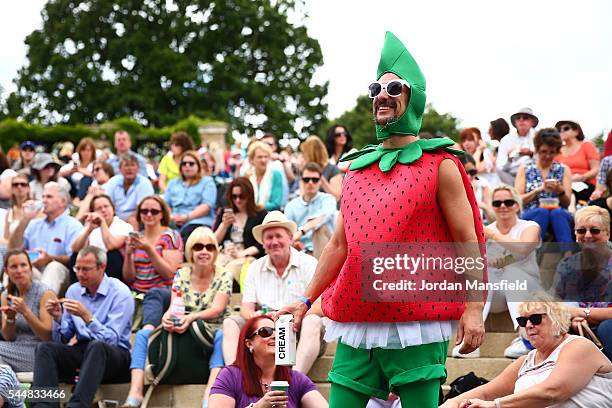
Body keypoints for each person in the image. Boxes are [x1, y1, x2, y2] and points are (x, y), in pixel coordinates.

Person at [276, 32, 486, 408]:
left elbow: (466, 240)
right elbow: (340, 245)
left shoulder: (442, 165)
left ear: (413, 97)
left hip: (417, 317)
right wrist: (306, 301)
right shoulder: (355, 170)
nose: (381, 95)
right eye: (376, 87)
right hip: (358, 315)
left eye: (394, 87)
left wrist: (472, 307)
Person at [121, 227, 232, 408]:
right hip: (185, 326)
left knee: (222, 337)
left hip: (213, 328)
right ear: (190, 251)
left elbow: (217, 309)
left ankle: (210, 394)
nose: (204, 251)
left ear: (215, 251)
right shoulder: (182, 273)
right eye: (198, 247)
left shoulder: (224, 274)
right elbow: (175, 304)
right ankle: (135, 394)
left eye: (209, 247)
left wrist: (191, 318)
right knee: (141, 335)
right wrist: (167, 317)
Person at [440, 294, 612, 408]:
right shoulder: (525, 361)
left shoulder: (578, 346)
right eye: (523, 321)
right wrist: (453, 403)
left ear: (556, 319)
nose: (529, 325)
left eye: (536, 319)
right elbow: (486, 391)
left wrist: (496, 405)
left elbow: (552, 392)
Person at [221, 211, 324, 375]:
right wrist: (258, 318)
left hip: (299, 328)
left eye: (279, 236)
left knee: (313, 321)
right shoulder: (255, 267)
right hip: (266, 329)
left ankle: (295, 380)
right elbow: (245, 309)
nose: (274, 241)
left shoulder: (309, 263)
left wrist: (292, 316)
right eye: (269, 237)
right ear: (263, 243)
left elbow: (321, 306)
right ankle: (235, 377)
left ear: (290, 238)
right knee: (230, 323)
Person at [32, 246, 133, 408]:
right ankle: (43, 405)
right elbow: (64, 338)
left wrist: (87, 317)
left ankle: (76, 406)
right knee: (45, 348)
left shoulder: (120, 292)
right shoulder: (74, 290)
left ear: (102, 268)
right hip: (84, 351)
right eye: (77, 268)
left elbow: (112, 340)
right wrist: (58, 318)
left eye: (86, 269)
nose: (80, 273)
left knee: (97, 346)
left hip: (115, 356)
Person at [452, 185, 541, 359]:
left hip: (529, 289)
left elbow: (523, 250)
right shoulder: (486, 230)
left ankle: (525, 337)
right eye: (497, 203)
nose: (503, 206)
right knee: (485, 276)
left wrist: (492, 235)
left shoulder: (530, 226)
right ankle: (471, 339)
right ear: (492, 206)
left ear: (517, 204)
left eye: (508, 202)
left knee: (512, 274)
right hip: (496, 294)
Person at [210, 315, 328, 408]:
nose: (275, 335)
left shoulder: (296, 379)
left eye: (279, 331)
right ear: (249, 343)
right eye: (266, 332)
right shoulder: (230, 376)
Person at [553, 206, 612, 360]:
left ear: (608, 233)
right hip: (576, 327)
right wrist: (571, 319)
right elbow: (554, 302)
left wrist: (582, 313)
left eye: (594, 230)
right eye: (581, 231)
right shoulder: (567, 264)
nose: (587, 236)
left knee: (607, 328)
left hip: (607, 330)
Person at [9, 182, 82, 295]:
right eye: (43, 196)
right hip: (35, 271)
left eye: (49, 197)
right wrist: (25, 219)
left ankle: (42, 306)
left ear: (63, 202)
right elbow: (12, 249)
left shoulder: (73, 225)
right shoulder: (34, 224)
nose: (44, 200)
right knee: (17, 267)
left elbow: (74, 259)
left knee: (54, 267)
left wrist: (49, 258)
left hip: (62, 276)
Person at [515, 128, 573, 250]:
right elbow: (518, 200)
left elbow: (567, 203)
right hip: (532, 212)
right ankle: (530, 253)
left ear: (557, 152)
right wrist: (538, 190)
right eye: (543, 151)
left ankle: (568, 256)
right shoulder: (525, 169)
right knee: (542, 212)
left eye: (552, 152)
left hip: (558, 212)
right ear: (537, 150)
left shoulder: (563, 169)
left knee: (557, 213)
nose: (547, 156)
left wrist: (559, 191)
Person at [0, 249, 56, 372]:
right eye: (14, 267)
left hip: (38, 352)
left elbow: (47, 336)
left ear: (30, 268)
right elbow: (8, 337)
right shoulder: (6, 295)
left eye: (23, 265)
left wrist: (25, 311)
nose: (19, 270)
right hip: (14, 349)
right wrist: (10, 318)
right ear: (6, 271)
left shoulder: (45, 293)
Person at [214, 177, 267, 285]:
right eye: (234, 196)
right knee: (212, 268)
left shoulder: (260, 215)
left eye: (241, 196)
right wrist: (224, 225)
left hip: (247, 256)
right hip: (225, 254)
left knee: (228, 271)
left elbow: (262, 243)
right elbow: (213, 241)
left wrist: (241, 253)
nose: (237, 200)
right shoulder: (225, 213)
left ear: (249, 196)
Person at [71, 194, 133, 281]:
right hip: (92, 265)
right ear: (93, 212)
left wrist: (102, 223)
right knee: (76, 256)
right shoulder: (91, 226)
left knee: (112, 254)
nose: (103, 210)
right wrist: (89, 230)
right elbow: (75, 249)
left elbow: (111, 245)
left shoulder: (124, 226)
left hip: (113, 266)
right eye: (99, 208)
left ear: (113, 208)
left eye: (106, 206)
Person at [284, 162, 337, 258]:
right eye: (306, 179)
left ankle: (320, 270)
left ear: (320, 181)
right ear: (301, 181)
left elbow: (323, 217)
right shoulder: (291, 206)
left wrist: (302, 231)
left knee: (319, 228)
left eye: (315, 180)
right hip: (301, 251)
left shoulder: (328, 199)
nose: (310, 183)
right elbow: (288, 234)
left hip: (326, 250)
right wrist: (294, 243)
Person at [164, 150, 217, 245]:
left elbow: (207, 206)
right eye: (184, 164)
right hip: (173, 220)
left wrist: (186, 217)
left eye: (191, 163)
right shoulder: (173, 183)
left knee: (187, 238)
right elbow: (165, 204)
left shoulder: (207, 182)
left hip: (197, 221)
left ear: (198, 166)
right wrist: (171, 217)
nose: (187, 166)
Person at [553, 120, 599, 203]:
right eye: (559, 130)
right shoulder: (557, 150)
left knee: (568, 192)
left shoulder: (587, 146)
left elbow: (595, 169)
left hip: (585, 184)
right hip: (563, 184)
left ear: (576, 131)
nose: (562, 131)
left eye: (566, 128)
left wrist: (583, 177)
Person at [104, 153, 154, 227]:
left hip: (137, 219)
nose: (129, 168)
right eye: (126, 165)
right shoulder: (113, 181)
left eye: (132, 165)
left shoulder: (144, 182)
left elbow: (142, 208)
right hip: (114, 218)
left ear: (138, 169)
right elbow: (107, 202)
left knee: (133, 220)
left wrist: (124, 223)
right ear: (120, 169)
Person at [496, 107, 538, 185]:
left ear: (532, 122)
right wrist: (509, 159)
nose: (521, 120)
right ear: (515, 122)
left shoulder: (539, 136)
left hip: (534, 172)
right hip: (512, 175)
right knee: (497, 171)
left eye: (525, 118)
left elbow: (546, 158)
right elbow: (500, 167)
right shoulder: (506, 140)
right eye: (518, 118)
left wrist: (531, 154)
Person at [300, 136, 343, 202]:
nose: (303, 156)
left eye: (305, 153)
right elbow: (303, 197)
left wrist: (319, 177)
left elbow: (337, 197)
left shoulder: (333, 169)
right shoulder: (305, 170)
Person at [247, 141, 284, 211]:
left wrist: (260, 207)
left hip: (269, 216)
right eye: (259, 157)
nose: (263, 160)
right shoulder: (247, 175)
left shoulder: (276, 175)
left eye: (266, 157)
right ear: (252, 159)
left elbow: (276, 202)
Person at [459, 154, 494, 224]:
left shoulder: (482, 184)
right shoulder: (453, 186)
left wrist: (484, 207)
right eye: (464, 172)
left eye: (472, 172)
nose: (468, 176)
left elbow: (493, 220)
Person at [3, 174, 33, 244]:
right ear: (12, 189)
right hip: (14, 248)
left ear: (28, 188)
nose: (19, 187)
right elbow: (6, 237)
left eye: (23, 184)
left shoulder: (35, 207)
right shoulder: (10, 212)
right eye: (15, 185)